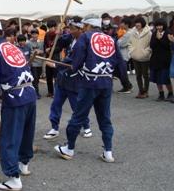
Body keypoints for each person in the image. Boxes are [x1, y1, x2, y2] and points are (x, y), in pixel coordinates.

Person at [54, 16, 123, 163]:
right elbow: (119, 61)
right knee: (105, 118)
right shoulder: (109, 38)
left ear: (88, 25)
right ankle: (108, 151)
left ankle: (69, 148)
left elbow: (77, 60)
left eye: (84, 25)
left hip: (90, 83)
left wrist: (68, 67)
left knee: (78, 116)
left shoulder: (86, 37)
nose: (83, 27)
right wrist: (124, 80)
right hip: (106, 82)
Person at [0, 20, 37, 191]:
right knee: (27, 132)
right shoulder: (14, 47)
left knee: (9, 137)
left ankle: (14, 179)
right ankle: (24, 164)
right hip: (30, 93)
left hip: (14, 98)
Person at [44, 17, 92, 140]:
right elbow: (59, 44)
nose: (70, 31)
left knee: (76, 106)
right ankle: (54, 128)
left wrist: (55, 65)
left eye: (72, 29)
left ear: (81, 29)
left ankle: (86, 126)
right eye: (69, 28)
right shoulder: (70, 38)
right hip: (62, 78)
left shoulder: (85, 42)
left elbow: (73, 61)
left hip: (75, 77)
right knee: (56, 104)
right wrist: (57, 35)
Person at [149, 19, 174, 101]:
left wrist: (160, 39)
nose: (159, 27)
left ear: (164, 25)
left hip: (165, 59)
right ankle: (161, 93)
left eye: (160, 25)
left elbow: (167, 46)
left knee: (165, 78)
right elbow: (152, 45)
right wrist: (156, 38)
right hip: (155, 59)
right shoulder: (154, 34)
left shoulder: (168, 33)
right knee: (157, 78)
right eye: (157, 26)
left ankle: (170, 93)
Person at [128, 17, 152, 99]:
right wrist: (132, 51)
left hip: (145, 57)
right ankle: (140, 90)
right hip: (135, 56)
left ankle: (146, 91)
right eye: (136, 23)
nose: (137, 24)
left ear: (142, 23)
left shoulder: (149, 33)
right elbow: (129, 43)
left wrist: (146, 52)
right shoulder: (132, 32)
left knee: (145, 75)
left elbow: (150, 45)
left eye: (139, 22)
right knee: (138, 75)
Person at [116, 17, 134, 93]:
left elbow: (120, 43)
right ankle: (127, 86)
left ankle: (127, 87)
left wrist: (118, 40)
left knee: (122, 72)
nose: (120, 24)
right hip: (123, 54)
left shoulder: (128, 33)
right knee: (119, 71)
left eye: (122, 23)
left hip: (124, 55)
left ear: (126, 24)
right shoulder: (125, 32)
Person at [44, 20, 60, 97]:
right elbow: (45, 45)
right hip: (48, 57)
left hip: (55, 58)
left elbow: (59, 48)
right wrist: (46, 49)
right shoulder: (46, 35)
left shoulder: (58, 35)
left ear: (56, 27)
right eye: (50, 27)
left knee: (56, 76)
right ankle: (50, 91)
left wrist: (50, 49)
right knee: (48, 76)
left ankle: (57, 92)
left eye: (53, 27)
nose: (52, 28)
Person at [27, 29, 43, 99]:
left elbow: (43, 51)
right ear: (31, 35)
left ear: (38, 34)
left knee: (37, 78)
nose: (34, 35)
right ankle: (36, 93)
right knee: (35, 78)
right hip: (33, 63)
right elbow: (28, 52)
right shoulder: (29, 43)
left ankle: (34, 92)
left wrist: (40, 51)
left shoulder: (41, 42)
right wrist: (33, 53)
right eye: (33, 34)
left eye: (36, 34)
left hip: (40, 62)